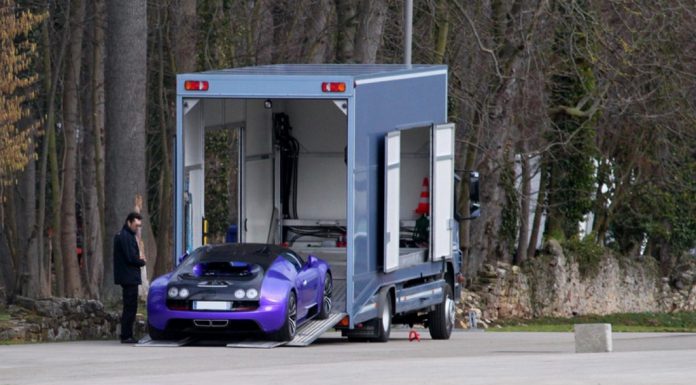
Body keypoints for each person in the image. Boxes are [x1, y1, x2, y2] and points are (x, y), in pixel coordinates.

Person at [113, 212, 146, 343]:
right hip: (129, 276)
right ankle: (126, 335)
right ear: (129, 222)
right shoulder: (126, 237)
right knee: (130, 307)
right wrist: (142, 261)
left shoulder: (124, 235)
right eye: (135, 225)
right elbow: (130, 257)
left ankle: (127, 334)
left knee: (130, 306)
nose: (137, 228)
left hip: (127, 276)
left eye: (139, 226)